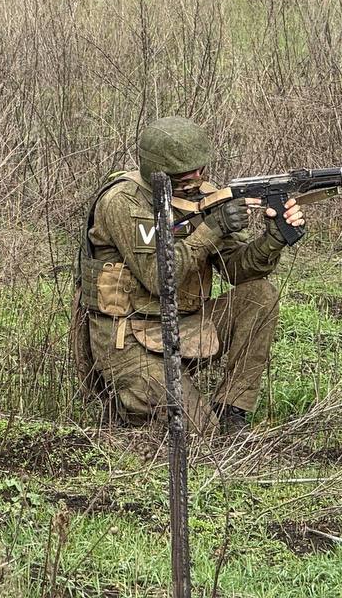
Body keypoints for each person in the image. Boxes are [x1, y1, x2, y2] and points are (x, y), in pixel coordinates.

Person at [72, 116, 305, 436]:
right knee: (198, 432)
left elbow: (238, 270)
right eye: (184, 173)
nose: (196, 179)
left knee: (261, 295)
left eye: (200, 169)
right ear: (157, 171)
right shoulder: (123, 202)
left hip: (185, 327)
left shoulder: (201, 196)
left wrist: (273, 239)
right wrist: (213, 227)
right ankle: (131, 401)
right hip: (128, 342)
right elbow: (158, 277)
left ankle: (231, 410)